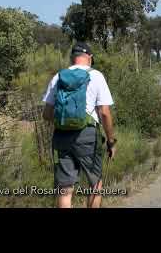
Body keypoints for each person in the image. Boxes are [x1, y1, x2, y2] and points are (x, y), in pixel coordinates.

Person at [42, 42, 117, 208]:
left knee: (65, 189)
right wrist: (111, 141)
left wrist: (65, 121)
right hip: (88, 136)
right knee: (95, 184)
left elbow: (46, 114)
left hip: (62, 136)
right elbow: (104, 113)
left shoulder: (58, 77)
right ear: (90, 57)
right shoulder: (96, 76)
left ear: (72, 58)